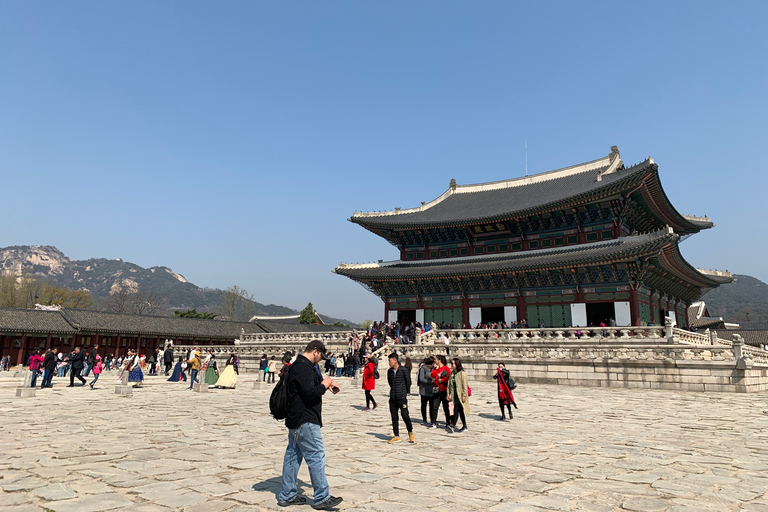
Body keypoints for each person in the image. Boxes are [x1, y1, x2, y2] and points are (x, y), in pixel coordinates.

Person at [278, 340, 342, 510]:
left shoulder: (299, 366)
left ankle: (287, 495)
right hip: (305, 419)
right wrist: (324, 384)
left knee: (292, 457)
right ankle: (321, 496)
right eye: (321, 355)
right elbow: (311, 393)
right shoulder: (303, 367)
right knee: (316, 456)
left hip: (295, 419)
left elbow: (309, 388)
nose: (321, 359)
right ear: (315, 351)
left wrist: (326, 384)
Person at [386, 353, 414, 444]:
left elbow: (408, 381)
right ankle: (396, 435)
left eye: (390, 361)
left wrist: (407, 391)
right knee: (394, 417)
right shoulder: (389, 371)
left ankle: (410, 432)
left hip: (401, 397)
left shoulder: (404, 370)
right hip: (393, 397)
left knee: (405, 415)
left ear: (395, 361)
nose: (389, 363)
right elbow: (390, 383)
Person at [446, 358, 469, 433]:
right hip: (454, 394)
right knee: (460, 411)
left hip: (460, 395)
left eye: (453, 363)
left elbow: (464, 386)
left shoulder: (462, 374)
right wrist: (448, 394)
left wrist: (464, 396)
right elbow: (449, 385)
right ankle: (464, 426)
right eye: (451, 363)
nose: (451, 365)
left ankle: (453, 424)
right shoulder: (452, 373)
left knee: (456, 409)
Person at [432, 355, 451, 428]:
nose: (435, 361)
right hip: (437, 389)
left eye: (436, 359)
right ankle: (433, 422)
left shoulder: (446, 368)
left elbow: (448, 377)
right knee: (434, 406)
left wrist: (442, 380)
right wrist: (436, 369)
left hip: (444, 390)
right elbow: (432, 375)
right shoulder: (435, 368)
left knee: (445, 407)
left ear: (439, 360)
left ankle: (448, 422)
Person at [417, 356, 436, 427]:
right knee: (424, 406)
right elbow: (421, 379)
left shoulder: (434, 369)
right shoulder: (423, 369)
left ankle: (432, 420)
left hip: (431, 390)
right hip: (424, 390)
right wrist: (430, 381)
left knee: (432, 406)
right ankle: (424, 419)